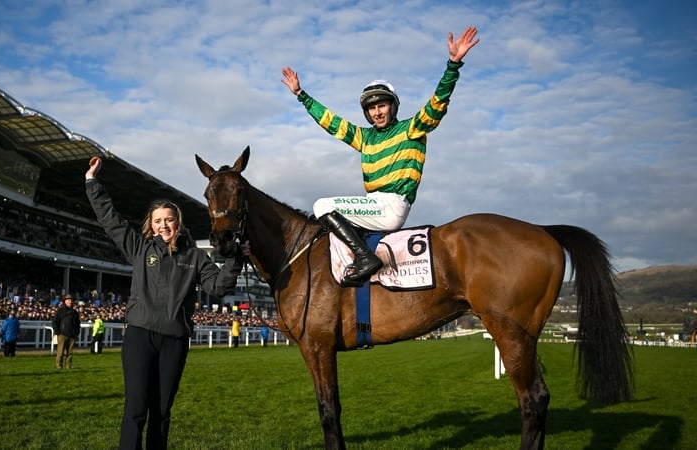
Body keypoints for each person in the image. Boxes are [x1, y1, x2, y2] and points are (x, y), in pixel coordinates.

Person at [280, 26, 480, 287]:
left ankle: (365, 258)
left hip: (391, 206)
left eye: (382, 105)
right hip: (373, 205)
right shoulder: (365, 137)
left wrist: (453, 64)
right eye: (372, 108)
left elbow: (437, 102)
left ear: (393, 106)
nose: (377, 112)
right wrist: (301, 95)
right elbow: (331, 122)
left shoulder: (411, 128)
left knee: (322, 206)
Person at [85, 156, 250, 450]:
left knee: (161, 413)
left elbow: (218, 287)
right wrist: (92, 181)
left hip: (174, 341)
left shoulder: (196, 258)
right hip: (139, 336)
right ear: (151, 224)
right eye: (158, 221)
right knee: (136, 410)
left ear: (178, 222)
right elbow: (110, 220)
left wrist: (235, 260)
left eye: (169, 220)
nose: (164, 226)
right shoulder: (139, 249)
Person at [52, 294, 81, 369]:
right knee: (60, 352)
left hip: (72, 336)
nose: (70, 301)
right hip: (62, 335)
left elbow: (78, 323)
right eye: (68, 300)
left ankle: (68, 366)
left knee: (70, 353)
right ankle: (59, 366)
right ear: (64, 301)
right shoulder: (60, 311)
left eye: (71, 300)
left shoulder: (74, 312)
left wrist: (76, 333)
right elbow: (55, 322)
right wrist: (58, 332)